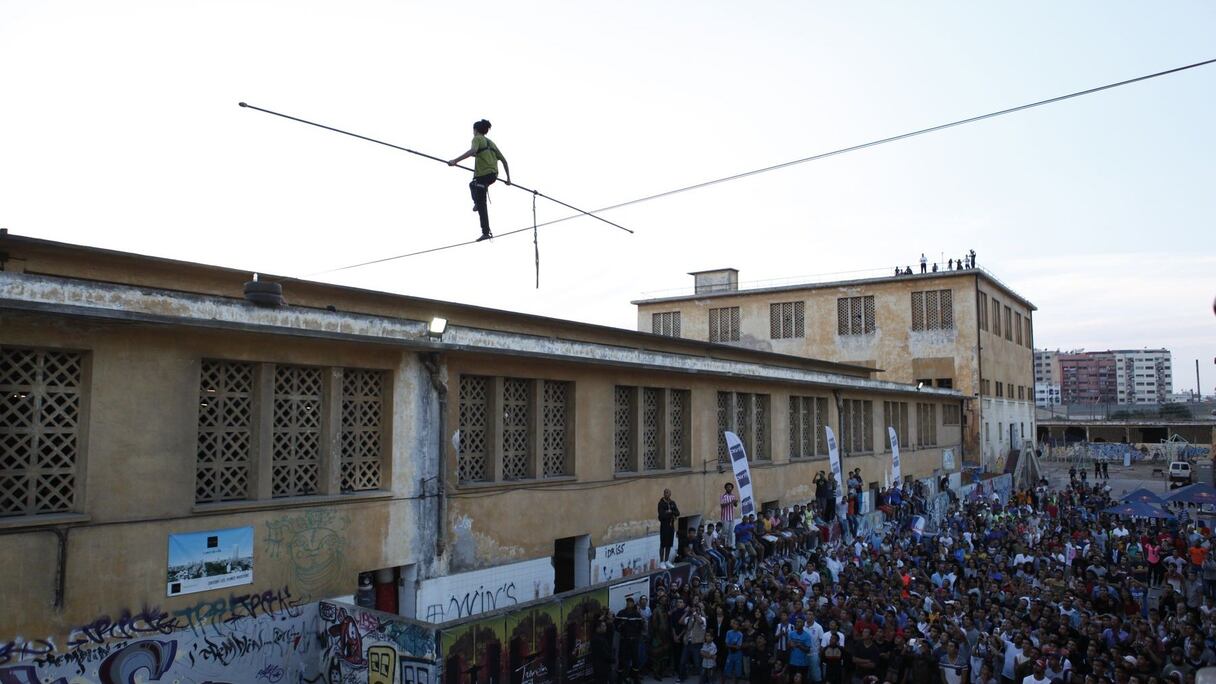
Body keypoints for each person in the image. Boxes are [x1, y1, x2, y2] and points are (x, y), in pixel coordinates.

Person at [448, 119, 511, 242]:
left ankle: (485, 232)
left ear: (475, 130)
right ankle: (477, 203)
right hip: (492, 176)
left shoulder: (477, 139)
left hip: (483, 175)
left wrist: (455, 160)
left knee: (481, 202)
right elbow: (504, 161)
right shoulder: (491, 143)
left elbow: (473, 150)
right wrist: (508, 179)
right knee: (473, 185)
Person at [659, 488, 681, 568]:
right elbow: (661, 515)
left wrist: (670, 512)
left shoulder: (672, 503)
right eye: (665, 493)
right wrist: (670, 514)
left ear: (670, 494)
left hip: (671, 526)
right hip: (664, 526)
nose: (666, 494)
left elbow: (677, 513)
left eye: (668, 493)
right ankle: (661, 561)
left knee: (669, 544)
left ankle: (666, 560)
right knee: (663, 544)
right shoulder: (661, 503)